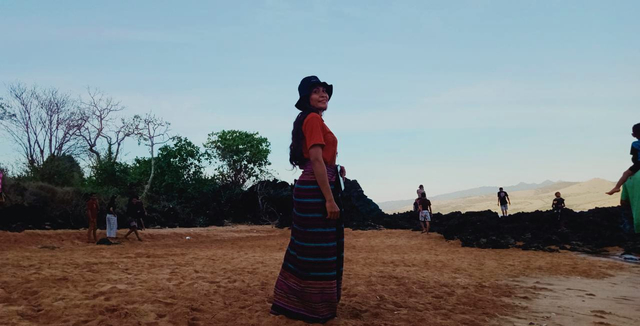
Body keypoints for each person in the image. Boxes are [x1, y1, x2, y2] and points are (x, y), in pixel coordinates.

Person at [271, 76, 346, 323]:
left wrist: (336, 168)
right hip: (315, 190)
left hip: (314, 184)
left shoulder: (313, 120)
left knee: (306, 247)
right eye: (316, 91)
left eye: (324, 91)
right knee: (318, 249)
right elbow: (315, 160)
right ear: (307, 98)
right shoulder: (312, 119)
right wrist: (329, 199)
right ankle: (312, 308)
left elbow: (320, 158)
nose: (323, 95)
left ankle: (291, 300)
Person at [607, 123, 640, 195]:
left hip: (639, 163)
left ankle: (617, 187)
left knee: (626, 173)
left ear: (633, 135)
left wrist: (635, 164)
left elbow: (634, 157)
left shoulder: (635, 144)